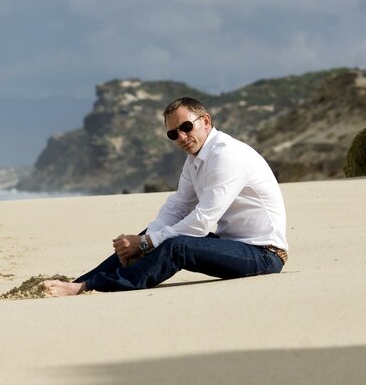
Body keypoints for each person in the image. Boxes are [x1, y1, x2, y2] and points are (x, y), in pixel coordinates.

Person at [43, 96, 289, 296]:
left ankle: (92, 287)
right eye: (173, 134)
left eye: (185, 127)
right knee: (149, 236)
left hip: (264, 254)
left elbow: (202, 221)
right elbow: (177, 207)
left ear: (205, 121)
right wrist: (145, 240)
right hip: (234, 245)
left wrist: (149, 244)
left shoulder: (227, 156)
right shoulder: (195, 160)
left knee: (175, 246)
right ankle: (82, 281)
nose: (181, 137)